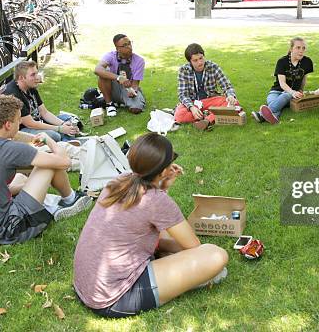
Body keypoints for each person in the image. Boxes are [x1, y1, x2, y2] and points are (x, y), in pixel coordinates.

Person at [74, 133, 228, 318]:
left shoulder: (120, 179)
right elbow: (193, 247)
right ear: (163, 171)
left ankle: (175, 270)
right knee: (215, 255)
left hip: (91, 284)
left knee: (166, 237)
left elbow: (148, 219)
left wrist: (163, 186)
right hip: (115, 297)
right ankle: (192, 278)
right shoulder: (156, 201)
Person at [0, 95, 92, 244]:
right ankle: (70, 199)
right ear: (7, 125)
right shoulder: (10, 149)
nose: (20, 122)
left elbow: (11, 137)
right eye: (18, 119)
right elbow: (64, 162)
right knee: (49, 163)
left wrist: (32, 138)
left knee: (22, 176)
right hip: (7, 229)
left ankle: (53, 199)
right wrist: (48, 139)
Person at [4, 60, 79, 142]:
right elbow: (30, 124)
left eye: (36, 73)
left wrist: (62, 124)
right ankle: (67, 141)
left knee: (68, 120)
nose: (37, 77)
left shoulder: (30, 86)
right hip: (22, 130)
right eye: (33, 75)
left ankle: (67, 138)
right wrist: (60, 129)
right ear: (21, 78)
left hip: (38, 121)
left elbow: (44, 112)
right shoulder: (13, 94)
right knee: (54, 135)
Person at [175, 43, 239, 131]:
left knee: (234, 102)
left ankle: (207, 120)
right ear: (190, 61)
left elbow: (227, 86)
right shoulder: (183, 70)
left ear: (204, 56)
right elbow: (182, 94)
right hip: (194, 103)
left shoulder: (213, 67)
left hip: (210, 101)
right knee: (179, 115)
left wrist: (230, 95)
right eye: (195, 60)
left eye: (201, 58)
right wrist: (192, 108)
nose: (200, 62)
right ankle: (214, 115)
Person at [252, 37, 313, 124]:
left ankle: (261, 115)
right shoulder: (282, 61)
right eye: (298, 47)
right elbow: (282, 83)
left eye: (303, 48)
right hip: (276, 92)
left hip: (292, 95)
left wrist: (300, 91)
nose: (301, 50)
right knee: (276, 103)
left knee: (285, 96)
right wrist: (292, 92)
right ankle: (273, 117)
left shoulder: (307, 61)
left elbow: (304, 78)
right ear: (291, 49)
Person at [95, 34, 146, 117]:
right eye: (125, 45)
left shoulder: (139, 60)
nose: (129, 47)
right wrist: (119, 78)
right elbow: (97, 69)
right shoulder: (110, 56)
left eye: (129, 43)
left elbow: (136, 84)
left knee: (136, 109)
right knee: (104, 73)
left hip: (127, 89)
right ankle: (109, 104)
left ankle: (118, 102)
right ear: (117, 48)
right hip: (113, 86)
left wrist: (133, 91)